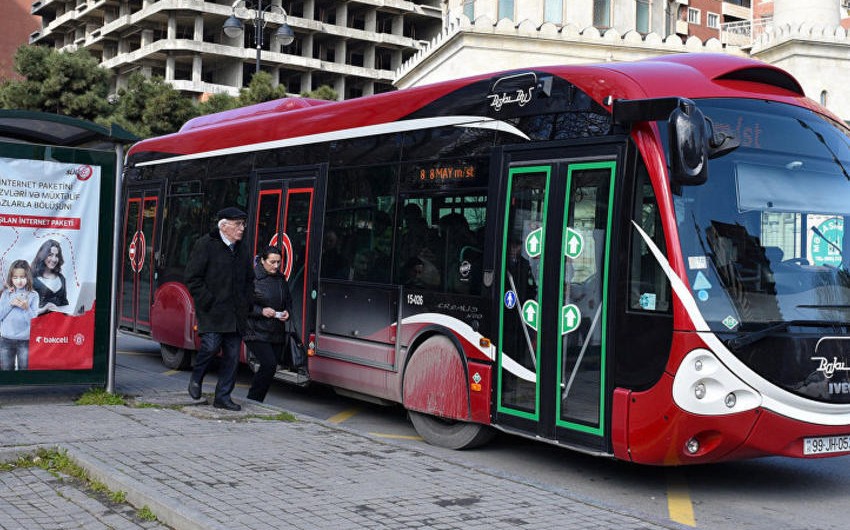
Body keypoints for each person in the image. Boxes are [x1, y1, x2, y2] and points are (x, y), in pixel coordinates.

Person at [184, 207, 253, 411]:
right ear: (224, 226)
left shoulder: (243, 248)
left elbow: (249, 278)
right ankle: (196, 378)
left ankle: (223, 397)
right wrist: (207, 300)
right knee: (210, 347)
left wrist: (246, 301)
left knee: (232, 357)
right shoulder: (205, 244)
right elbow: (192, 278)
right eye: (237, 224)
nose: (242, 228)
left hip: (235, 313)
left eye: (243, 224)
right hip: (213, 310)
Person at [244, 246, 299, 402]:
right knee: (269, 364)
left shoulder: (280, 278)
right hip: (254, 330)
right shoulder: (252, 278)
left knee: (270, 368)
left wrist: (287, 312)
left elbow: (288, 300)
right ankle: (254, 399)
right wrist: (261, 311)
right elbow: (241, 304)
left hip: (276, 330)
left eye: (278, 262)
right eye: (272, 262)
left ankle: (256, 399)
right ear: (262, 260)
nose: (275, 266)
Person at [0, 260, 39, 371]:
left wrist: (26, 308)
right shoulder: (7, 293)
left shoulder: (33, 295)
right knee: (7, 370)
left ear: (28, 276)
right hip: (6, 340)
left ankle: (23, 388)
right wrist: (10, 304)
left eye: (22, 277)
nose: (19, 281)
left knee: (24, 369)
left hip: (24, 340)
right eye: (15, 277)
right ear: (11, 278)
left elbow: (33, 322)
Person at [31, 239, 69, 314]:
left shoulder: (61, 278)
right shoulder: (32, 277)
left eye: (56, 256)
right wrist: (45, 308)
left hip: (58, 322)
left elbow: (64, 303)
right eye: (50, 255)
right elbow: (26, 308)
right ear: (43, 255)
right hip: (38, 322)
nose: (54, 259)